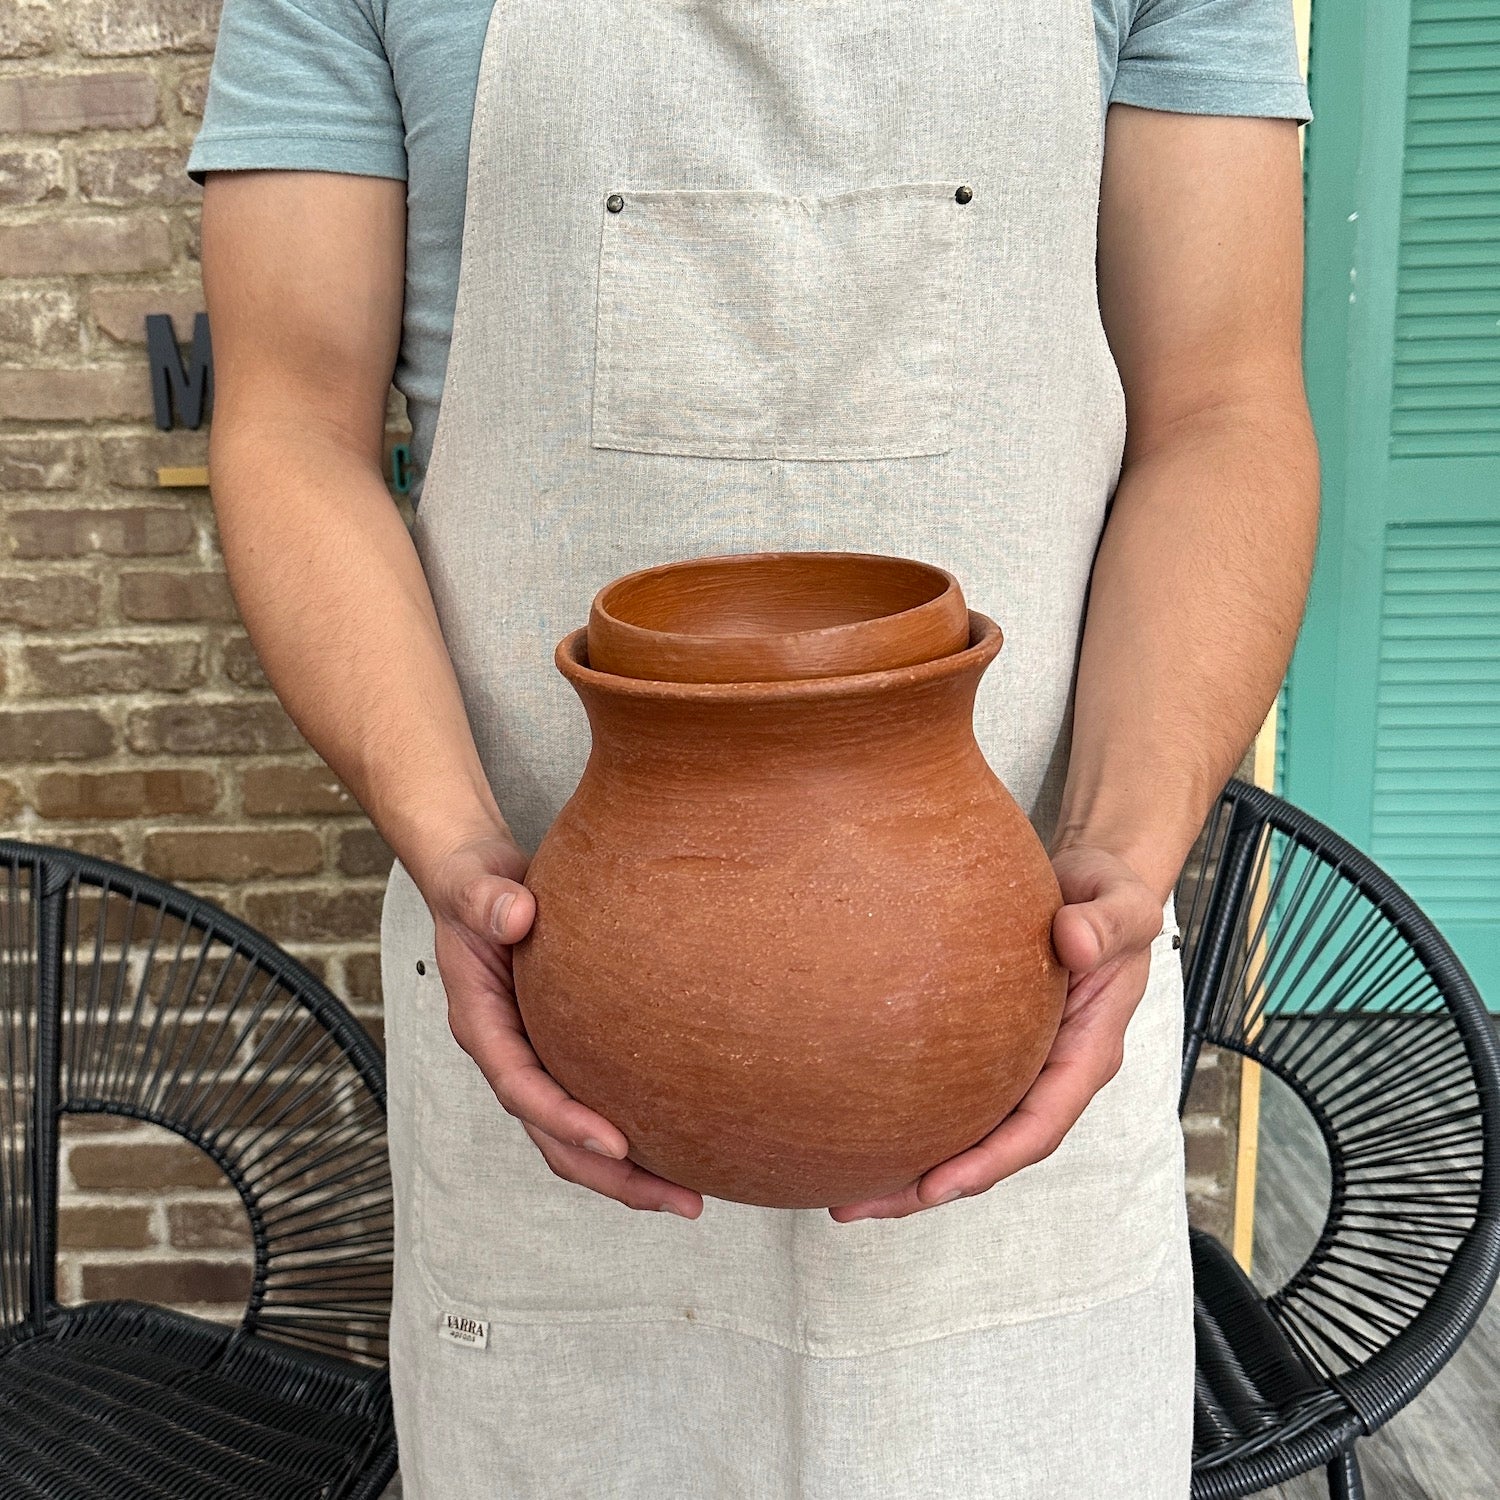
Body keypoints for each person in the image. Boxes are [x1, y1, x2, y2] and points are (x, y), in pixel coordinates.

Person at [187, 1, 1319, 1494]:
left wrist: (1126, 847)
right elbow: (289, 423)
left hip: (1017, 980)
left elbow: (1224, 408)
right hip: (550, 987)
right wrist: (453, 842)